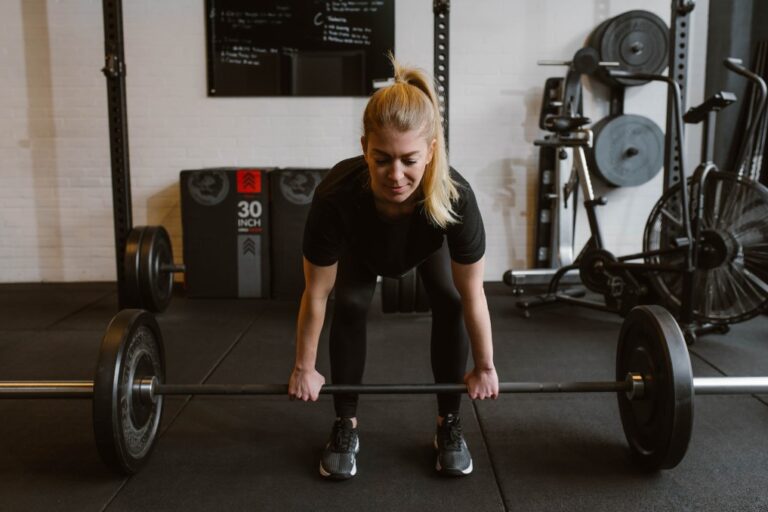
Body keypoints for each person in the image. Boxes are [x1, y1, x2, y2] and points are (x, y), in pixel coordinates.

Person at [288, 56, 498, 480]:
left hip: (425, 244)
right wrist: (304, 367)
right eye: (382, 158)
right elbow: (316, 292)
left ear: (432, 151)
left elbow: (474, 292)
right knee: (348, 303)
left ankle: (448, 424)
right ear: (364, 145)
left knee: (451, 298)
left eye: (409, 160)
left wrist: (485, 366)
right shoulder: (336, 197)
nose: (396, 174)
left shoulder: (454, 198)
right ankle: (345, 424)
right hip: (361, 250)